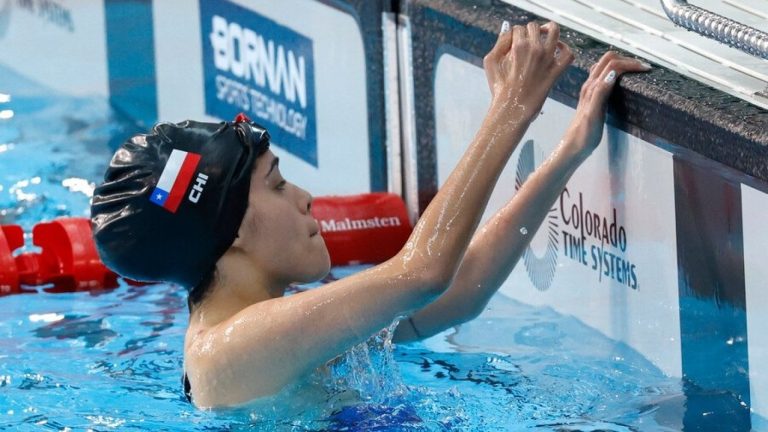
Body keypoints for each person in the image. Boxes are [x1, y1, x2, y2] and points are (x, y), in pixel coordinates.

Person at [90, 20, 650, 408]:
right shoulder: (228, 351)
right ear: (231, 230)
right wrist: (510, 109)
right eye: (277, 185)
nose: (305, 197)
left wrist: (572, 148)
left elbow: (464, 284)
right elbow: (421, 273)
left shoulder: (280, 331)